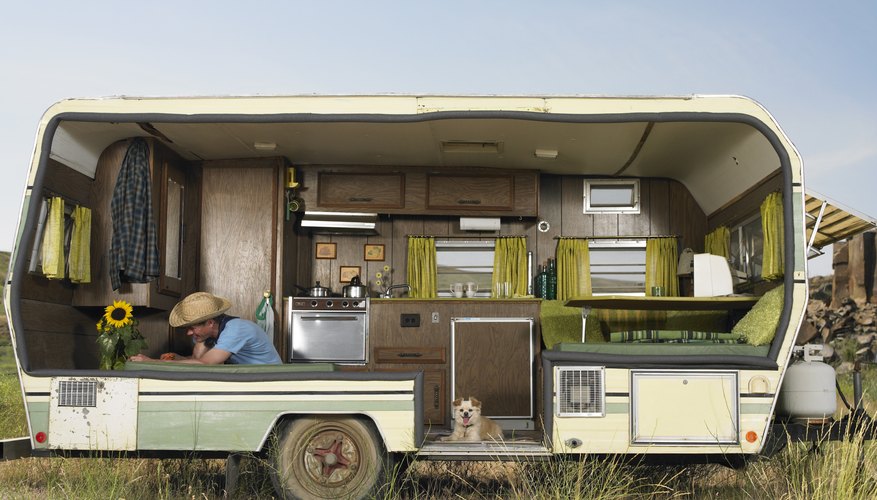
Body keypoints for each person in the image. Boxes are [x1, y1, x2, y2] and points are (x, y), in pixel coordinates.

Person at [129, 291, 282, 365]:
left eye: (192, 328)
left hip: (270, 384)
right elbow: (201, 360)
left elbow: (205, 363)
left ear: (210, 322)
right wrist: (180, 359)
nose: (189, 333)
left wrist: (151, 361)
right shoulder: (219, 333)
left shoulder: (236, 329)